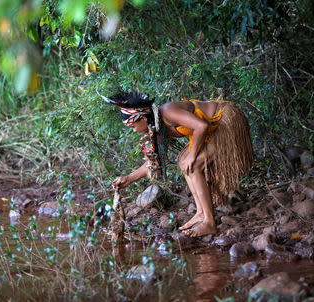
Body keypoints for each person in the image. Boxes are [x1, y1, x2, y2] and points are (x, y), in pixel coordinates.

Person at [105, 92, 253, 237]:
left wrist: (193, 155)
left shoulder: (168, 111)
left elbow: (201, 126)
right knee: (183, 162)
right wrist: (128, 179)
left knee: (193, 164)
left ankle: (209, 223)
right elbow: (153, 163)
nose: (134, 130)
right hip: (212, 128)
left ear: (143, 118)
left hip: (225, 122)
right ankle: (201, 213)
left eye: (133, 126)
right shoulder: (155, 128)